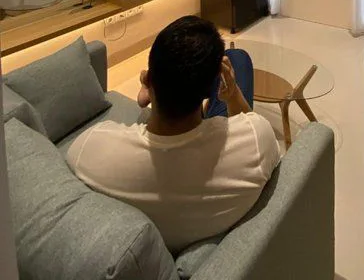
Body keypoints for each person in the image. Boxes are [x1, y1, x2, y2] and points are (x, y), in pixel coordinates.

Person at [66, 17, 280, 253]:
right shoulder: (258, 140)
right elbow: (250, 122)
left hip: (168, 118)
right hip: (203, 132)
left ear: (149, 79)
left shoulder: (88, 150)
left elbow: (76, 152)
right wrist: (232, 95)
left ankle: (157, 99)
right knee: (238, 57)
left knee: (232, 59)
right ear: (210, 89)